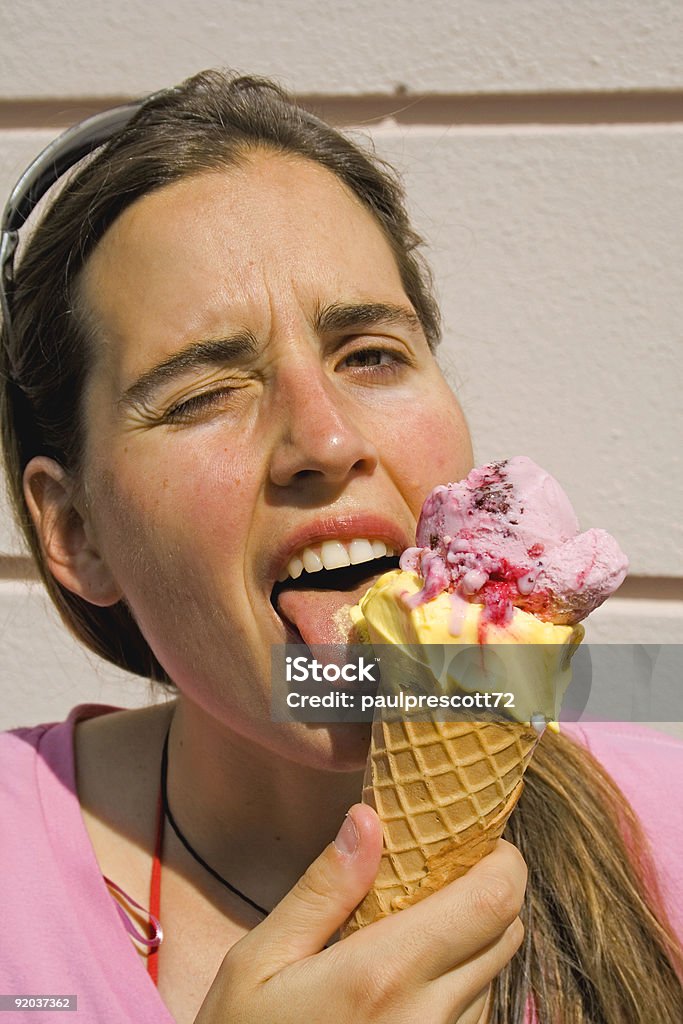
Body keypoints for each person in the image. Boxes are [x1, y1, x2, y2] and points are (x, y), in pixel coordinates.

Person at [0, 69, 681, 1024]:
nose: (324, 440)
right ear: (73, 530)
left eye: (370, 353)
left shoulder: (666, 824)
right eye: (202, 394)